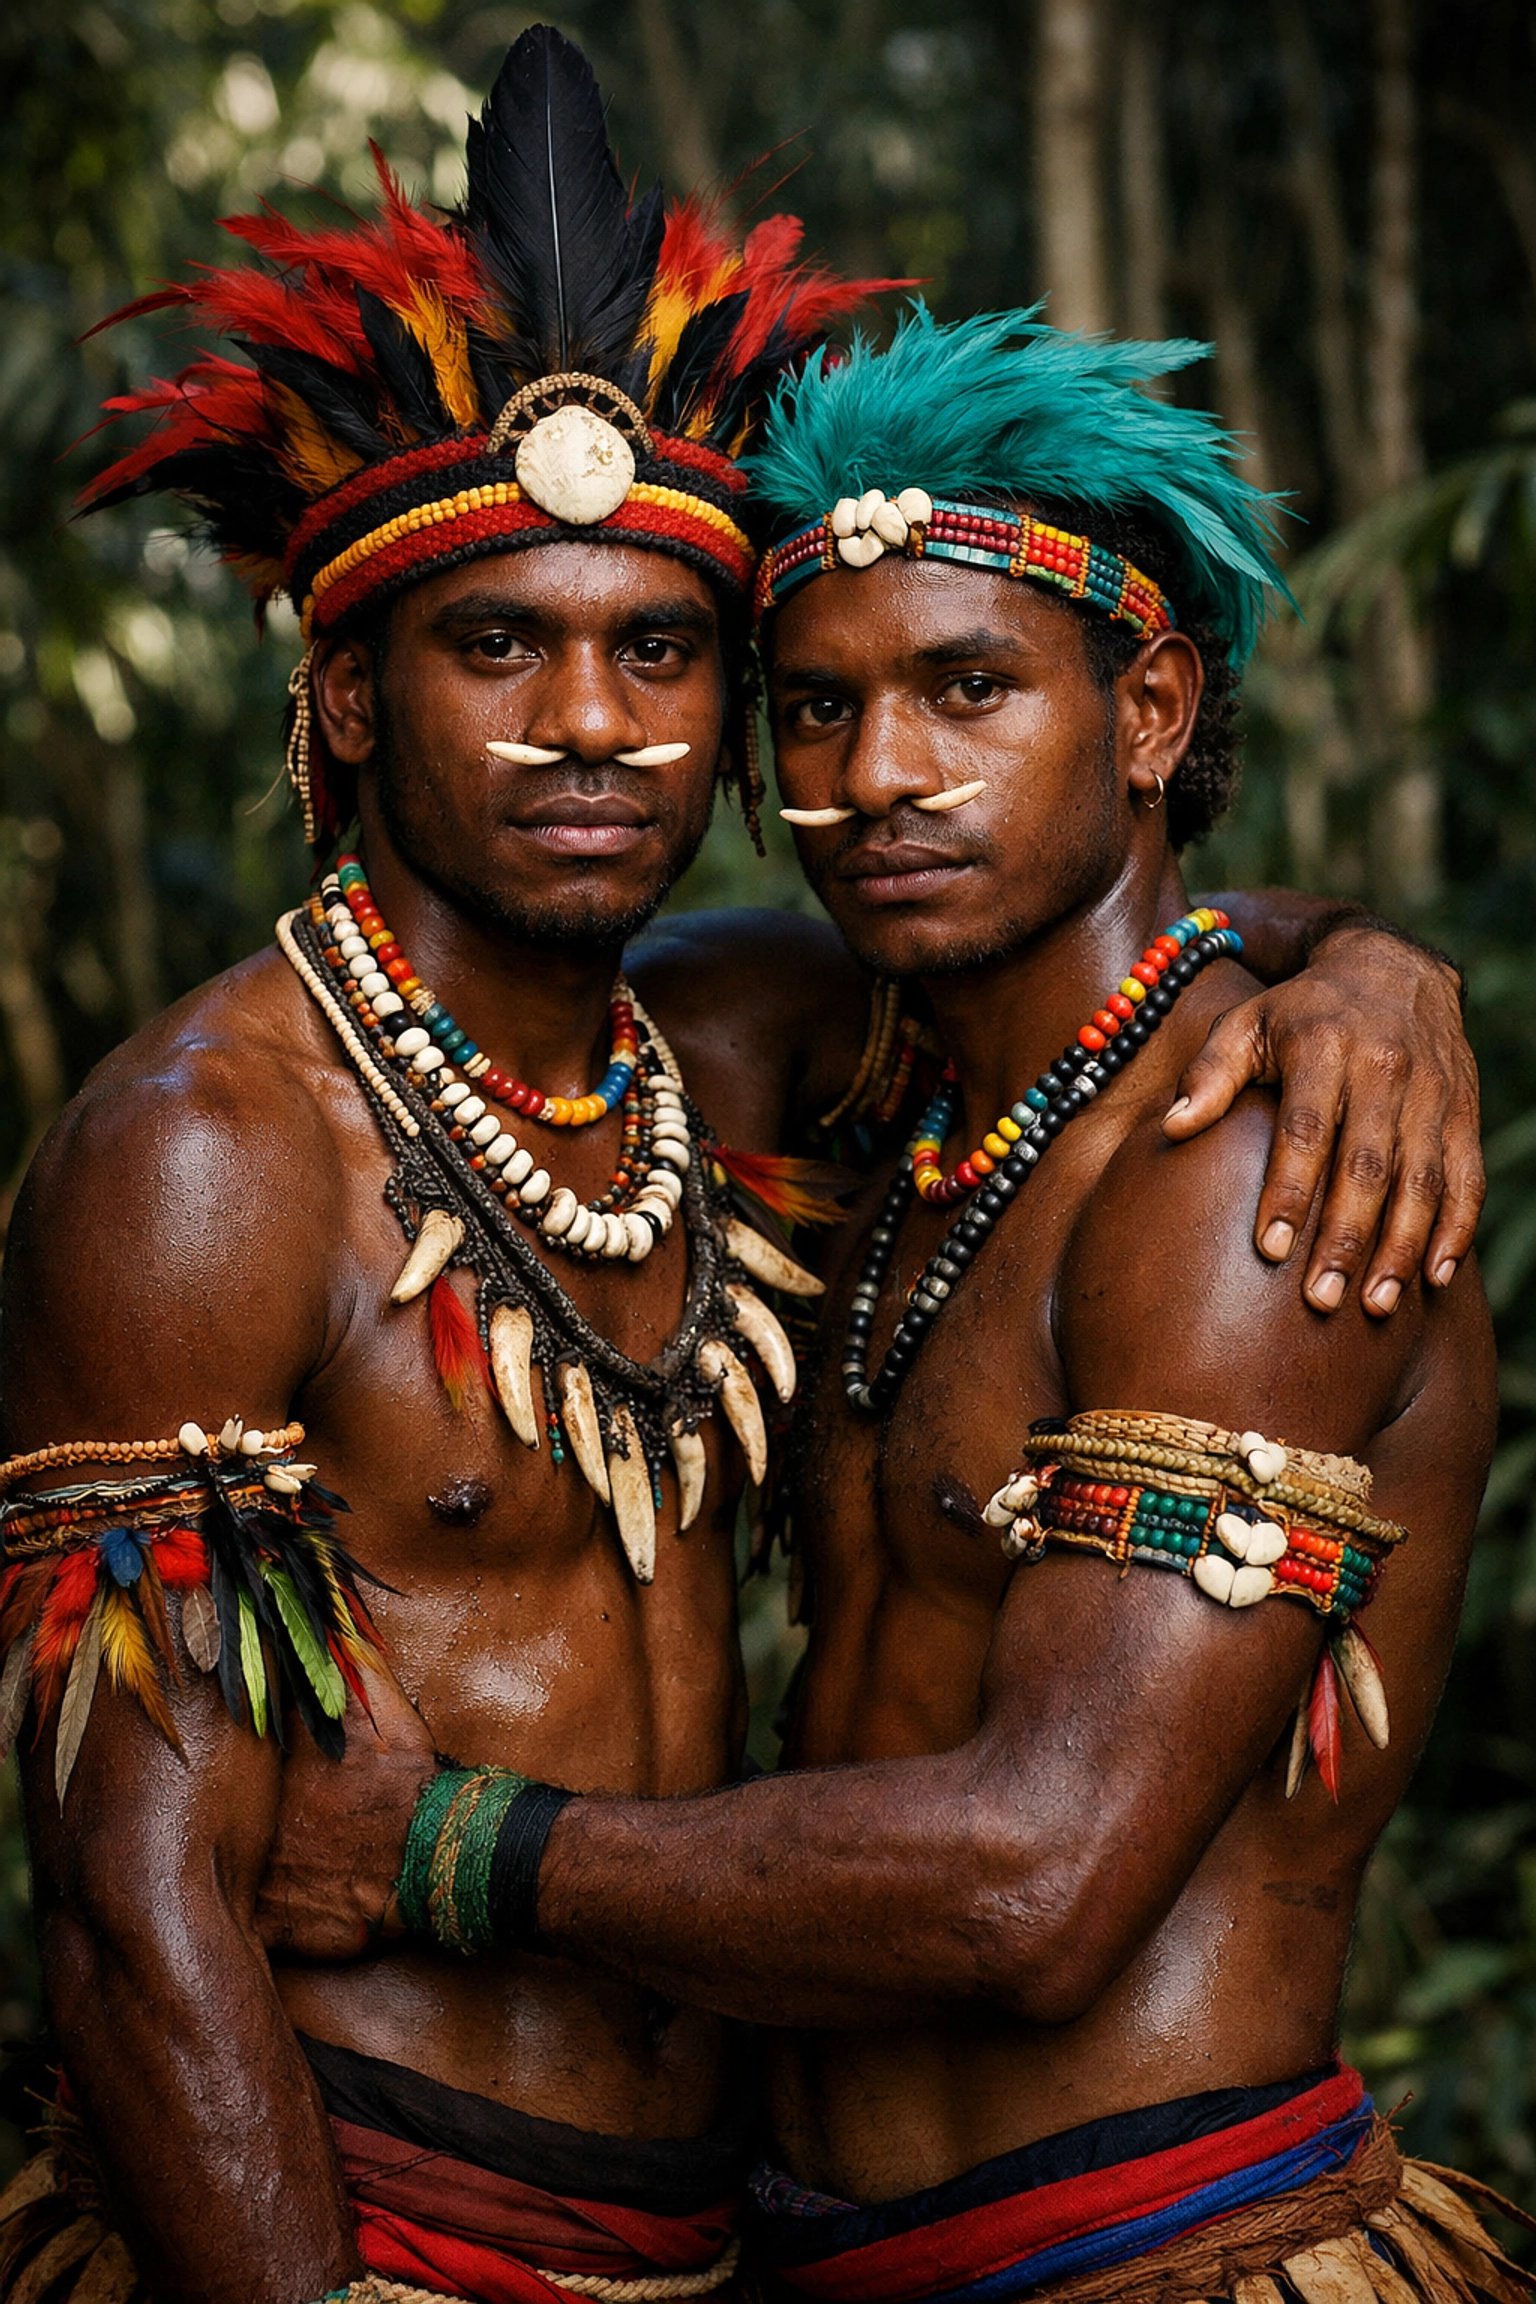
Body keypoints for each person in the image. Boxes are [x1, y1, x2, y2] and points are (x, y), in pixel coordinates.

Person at [0, 31, 1486, 2304]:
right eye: (499, 645)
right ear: (349, 698)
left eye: (667, 653)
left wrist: (1369, 964)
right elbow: (134, 1926)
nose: (596, 725)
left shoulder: (878, 1075)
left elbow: (1038, 1879)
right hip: (374, 2228)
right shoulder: (219, 1152)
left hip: (1067, 2245)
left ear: (1152, 714)